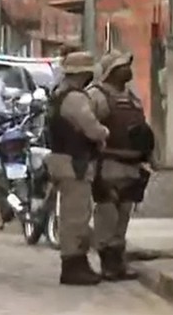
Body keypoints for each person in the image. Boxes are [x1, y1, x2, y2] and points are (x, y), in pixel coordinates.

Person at [86, 51, 155, 282]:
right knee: (107, 214)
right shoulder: (96, 96)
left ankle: (117, 261)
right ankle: (107, 262)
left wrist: (150, 158)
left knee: (123, 214)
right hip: (107, 164)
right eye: (122, 66)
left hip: (131, 165)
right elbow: (87, 130)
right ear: (111, 71)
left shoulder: (132, 97)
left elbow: (142, 131)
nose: (128, 69)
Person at [45, 51, 110, 285]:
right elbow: (92, 128)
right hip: (75, 163)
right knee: (76, 216)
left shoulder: (59, 95)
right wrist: (105, 133)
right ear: (84, 73)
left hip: (62, 160)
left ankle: (77, 264)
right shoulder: (76, 99)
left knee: (72, 214)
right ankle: (73, 265)